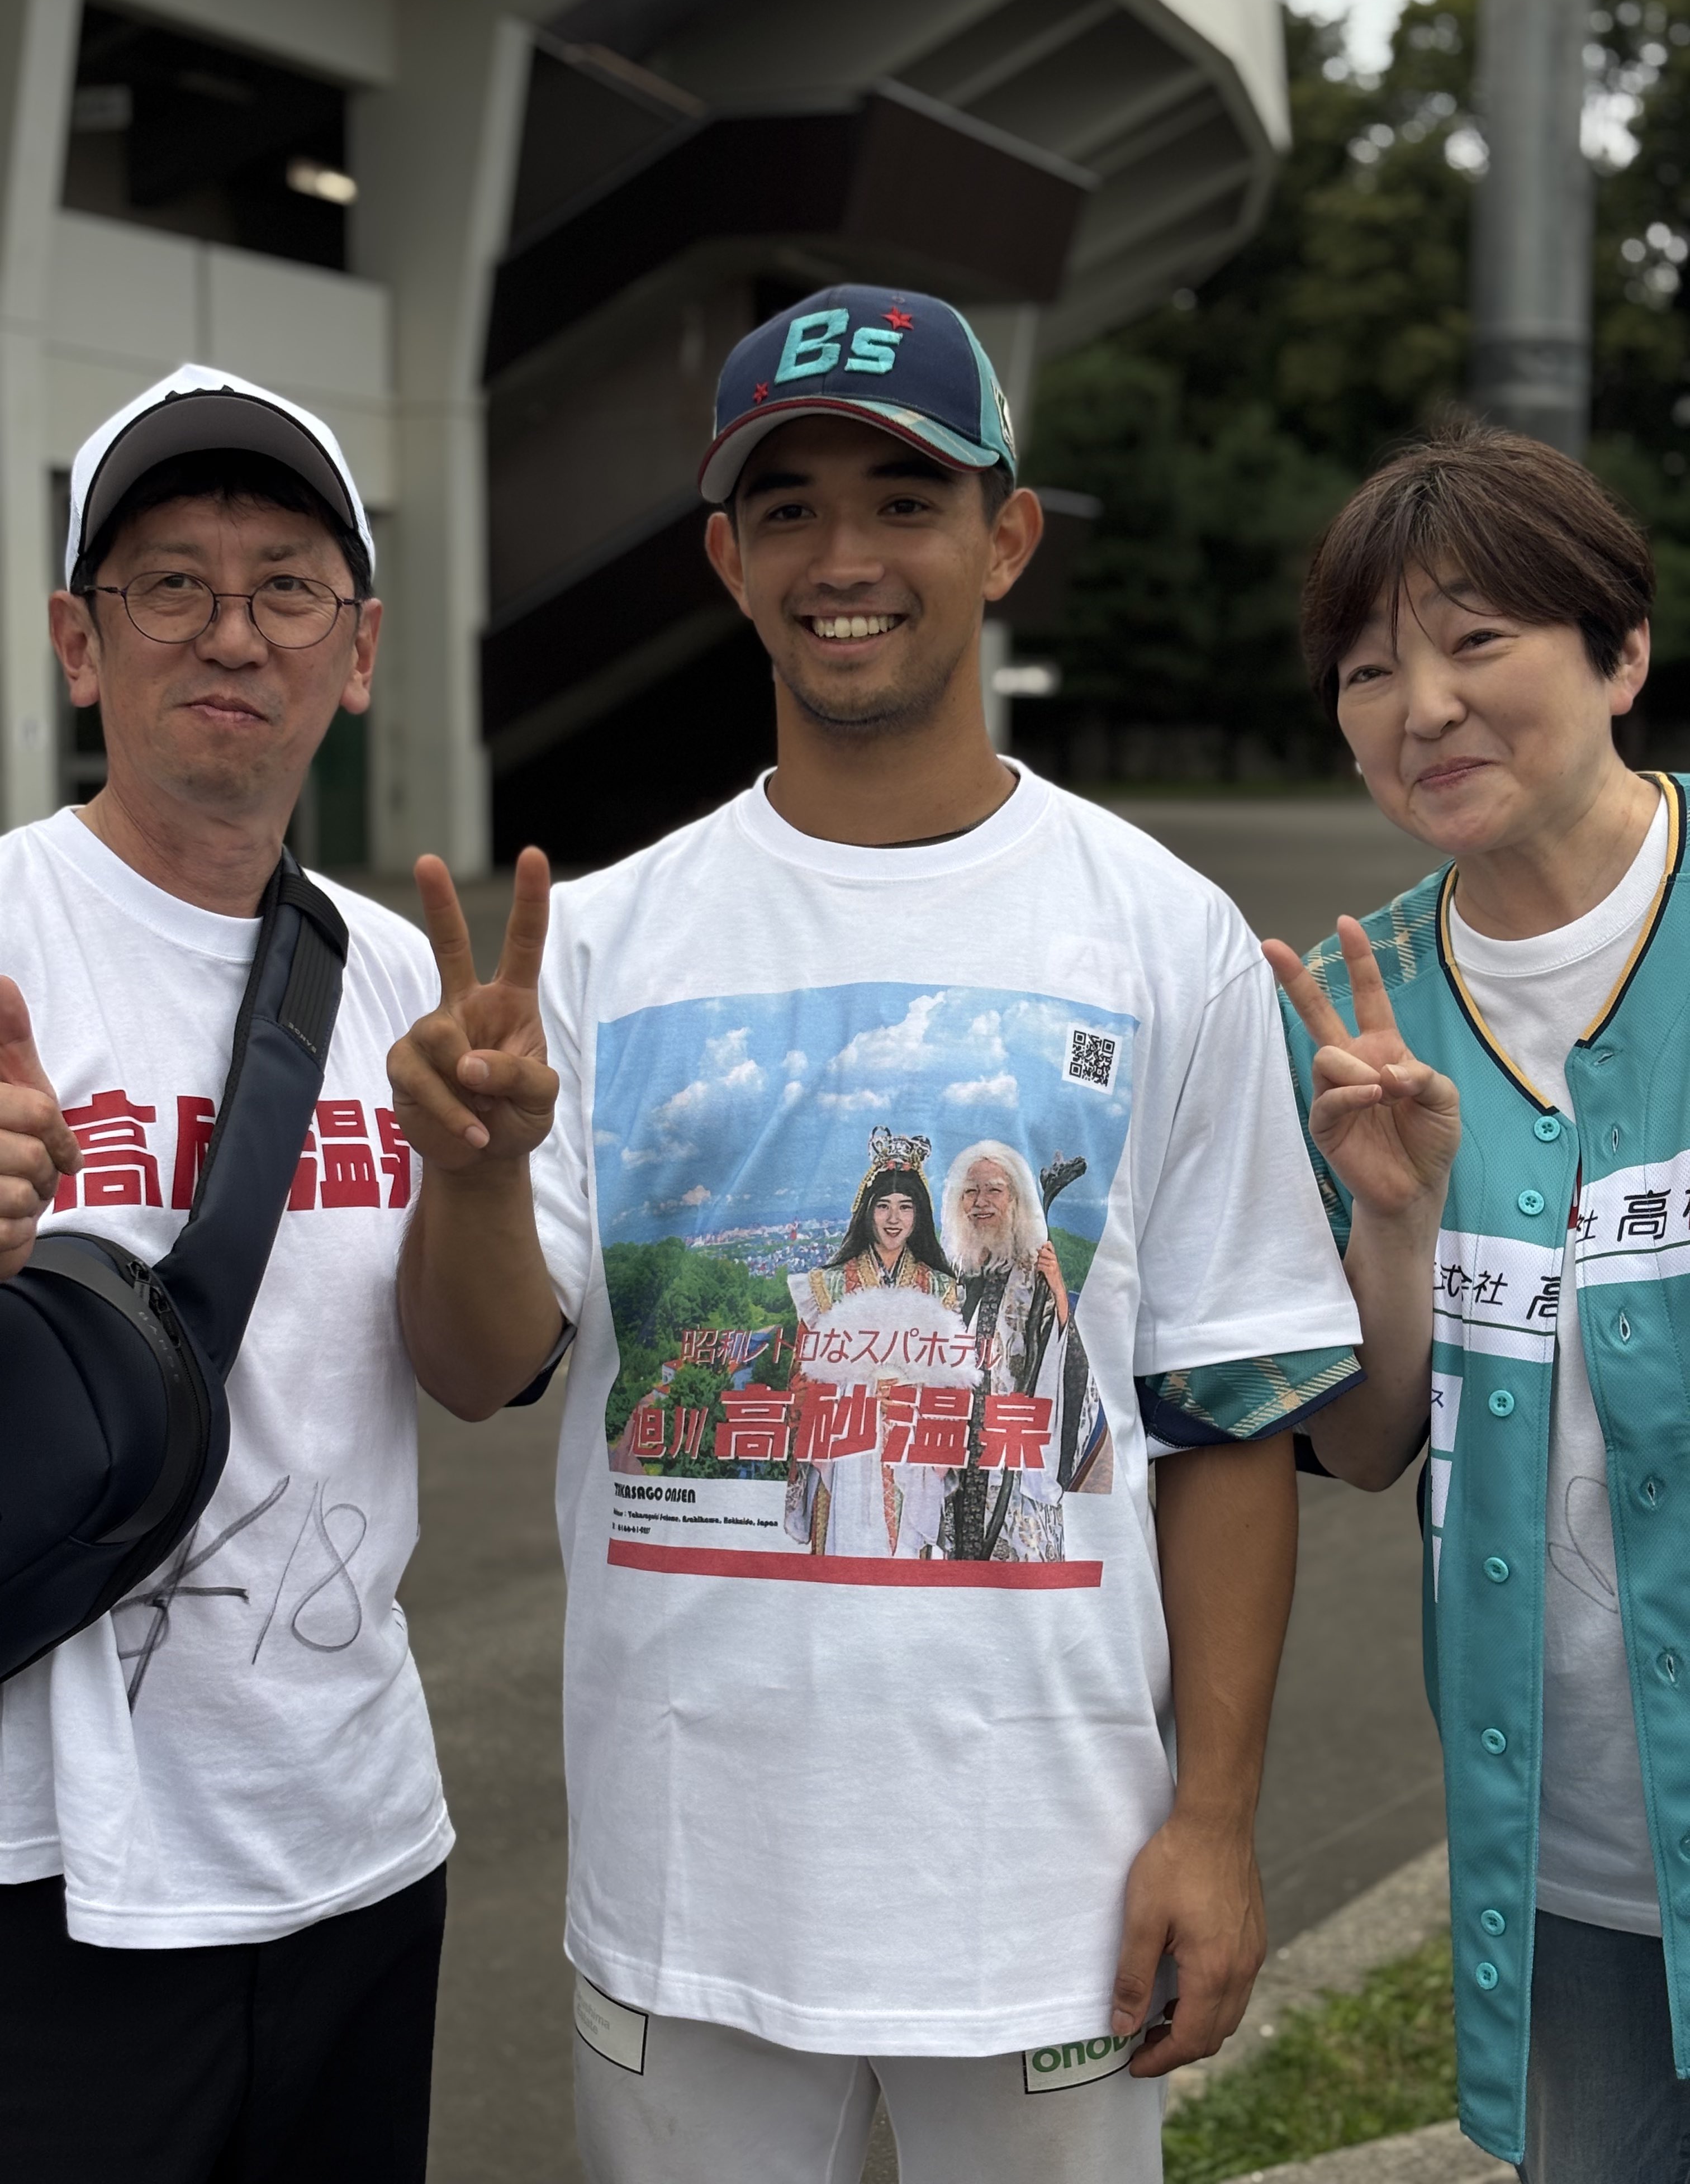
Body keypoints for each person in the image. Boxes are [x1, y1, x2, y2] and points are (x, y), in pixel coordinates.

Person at [389, 283, 1364, 2182]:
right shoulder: (601, 940)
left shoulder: (1159, 932)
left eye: (905, 499)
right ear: (725, 562)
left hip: (1051, 1896)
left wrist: (1217, 1820)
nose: (846, 556)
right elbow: (478, 1361)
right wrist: (480, 1171)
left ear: (1004, 536)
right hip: (693, 1895)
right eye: (789, 508)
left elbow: (1224, 1414)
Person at [0, 365, 455, 2182]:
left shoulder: (402, 980)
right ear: (77, 641)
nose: (230, 631)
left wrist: (490, 1178)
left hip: (350, 1839)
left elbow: (483, 1365)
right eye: (170, 583)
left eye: (284, 586)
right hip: (45, 1865)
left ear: (356, 650)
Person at [1268, 419, 1690, 2182]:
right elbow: (1364, 1447)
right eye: (1371, 671)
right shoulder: (1368, 1017)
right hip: (1579, 1857)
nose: (1421, 705)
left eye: (1476, 641)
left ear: (1621, 652)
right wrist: (1396, 1225)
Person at [785, 1126, 965, 1560]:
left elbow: (954, 1382)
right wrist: (854, 1392)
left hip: (909, 1433)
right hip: (848, 1434)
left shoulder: (939, 1287)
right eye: (883, 1206)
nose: (893, 1219)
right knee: (845, 1546)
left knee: (904, 1556)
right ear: (866, 1212)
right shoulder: (827, 1286)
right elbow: (803, 1374)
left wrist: (911, 1393)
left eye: (905, 1207)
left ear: (919, 1215)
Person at [936, 1137, 1103, 1562]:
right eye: (970, 1192)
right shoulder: (951, 1277)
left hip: (1014, 1457)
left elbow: (1068, 1363)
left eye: (994, 1190)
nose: (981, 1202)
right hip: (955, 1454)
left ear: (1014, 1199)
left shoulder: (1035, 1272)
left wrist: (1061, 1296)